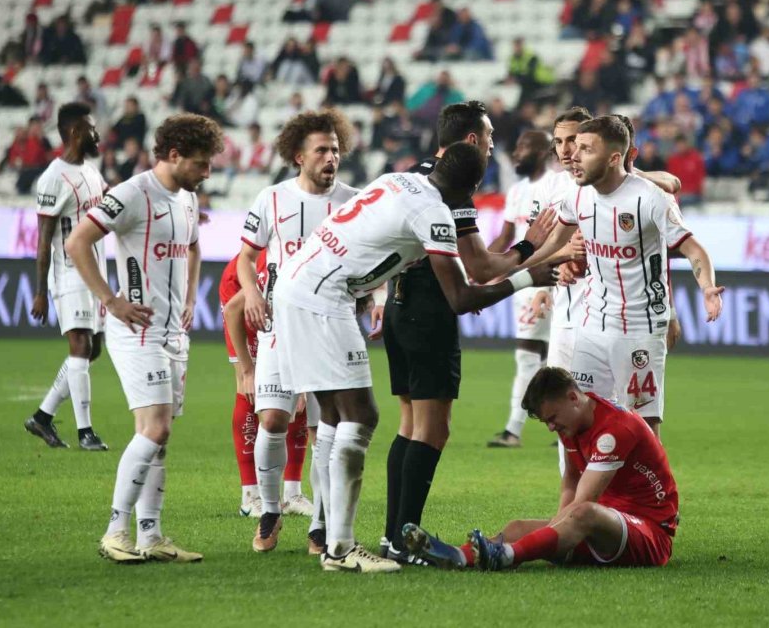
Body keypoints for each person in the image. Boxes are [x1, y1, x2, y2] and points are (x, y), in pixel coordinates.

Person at [272, 142, 558, 573]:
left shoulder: (396, 178)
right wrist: (528, 276)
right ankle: (341, 548)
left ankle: (332, 539)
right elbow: (461, 297)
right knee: (361, 416)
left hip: (301, 281)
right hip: (324, 297)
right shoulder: (435, 213)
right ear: (473, 187)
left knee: (334, 416)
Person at [382, 104, 557, 563]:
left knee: (409, 425)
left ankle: (392, 534)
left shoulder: (415, 173)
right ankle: (406, 538)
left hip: (398, 305)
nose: (496, 141)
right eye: (491, 133)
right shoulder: (452, 187)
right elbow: (478, 269)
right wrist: (529, 249)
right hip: (427, 309)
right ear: (472, 141)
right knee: (433, 430)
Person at [65, 114, 224, 563]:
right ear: (173, 156)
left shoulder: (187, 198)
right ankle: (115, 531)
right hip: (137, 331)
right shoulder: (132, 194)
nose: (207, 172)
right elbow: (77, 242)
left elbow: (193, 246)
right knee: (157, 427)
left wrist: (192, 297)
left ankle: (151, 536)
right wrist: (110, 300)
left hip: (174, 333)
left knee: (158, 436)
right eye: (200, 163)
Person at [528, 117, 724, 436]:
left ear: (615, 158)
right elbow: (550, 245)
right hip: (592, 324)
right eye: (573, 147)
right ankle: (578, 488)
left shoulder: (650, 199)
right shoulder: (576, 197)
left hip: (639, 328)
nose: (573, 155)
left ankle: (652, 487)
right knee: (579, 415)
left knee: (642, 425)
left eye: (585, 149)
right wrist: (506, 270)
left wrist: (707, 287)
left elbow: (694, 250)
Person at [403, 367, 679, 571]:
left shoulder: (615, 430)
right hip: (604, 528)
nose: (550, 427)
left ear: (573, 397)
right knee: (518, 526)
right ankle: (456, 555)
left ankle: (506, 556)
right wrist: (560, 530)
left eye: (552, 418)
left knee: (583, 512)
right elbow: (571, 479)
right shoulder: (572, 422)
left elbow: (584, 502)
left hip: (649, 534)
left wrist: (561, 529)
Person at [237, 109, 359, 555]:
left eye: (336, 149)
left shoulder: (353, 201)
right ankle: (270, 510)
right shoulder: (271, 199)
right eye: (322, 150)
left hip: (329, 327)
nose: (331, 157)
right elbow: (247, 259)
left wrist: (374, 296)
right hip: (277, 327)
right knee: (272, 419)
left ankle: (321, 526)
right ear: (298, 156)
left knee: (328, 426)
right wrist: (251, 293)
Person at [24, 104, 110, 451]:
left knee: (94, 350)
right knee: (81, 346)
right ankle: (84, 431)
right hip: (70, 274)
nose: (97, 134)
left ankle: (42, 418)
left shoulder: (91, 171)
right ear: (75, 132)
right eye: (91, 128)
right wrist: (41, 291)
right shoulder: (52, 178)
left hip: (96, 273)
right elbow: (43, 240)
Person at [219, 250, 311, 518]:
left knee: (299, 394)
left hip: (283, 315)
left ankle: (292, 493)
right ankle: (250, 495)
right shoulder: (268, 267)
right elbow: (234, 309)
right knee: (250, 390)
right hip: (241, 304)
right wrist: (246, 370)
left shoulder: (311, 260)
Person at [486, 131, 558, 447]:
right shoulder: (516, 190)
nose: (516, 153)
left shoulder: (558, 185)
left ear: (544, 152)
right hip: (525, 279)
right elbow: (505, 238)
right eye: (516, 146)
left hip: (551, 277)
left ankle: (519, 430)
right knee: (537, 357)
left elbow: (561, 235)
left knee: (544, 355)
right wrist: (480, 267)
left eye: (524, 146)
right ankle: (521, 428)